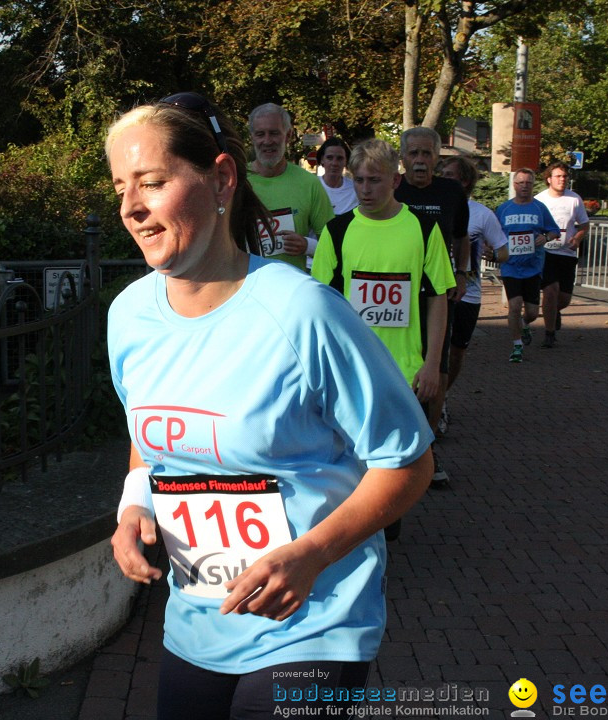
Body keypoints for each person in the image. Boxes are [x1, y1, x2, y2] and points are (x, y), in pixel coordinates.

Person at [106, 93, 434, 719]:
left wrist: (310, 554)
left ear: (222, 178)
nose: (131, 208)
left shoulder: (302, 311)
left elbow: (408, 462)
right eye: (121, 187)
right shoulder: (127, 316)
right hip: (199, 623)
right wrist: (133, 506)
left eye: (151, 182)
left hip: (313, 621)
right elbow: (147, 436)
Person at [312, 137, 453, 511]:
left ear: (395, 181)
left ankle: (383, 540)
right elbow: (320, 305)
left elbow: (439, 297)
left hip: (404, 371)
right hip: (349, 370)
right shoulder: (337, 231)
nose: (365, 189)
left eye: (374, 180)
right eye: (358, 180)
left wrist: (433, 363)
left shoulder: (423, 229)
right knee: (353, 469)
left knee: (394, 470)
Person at [393, 126, 470, 485]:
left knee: (434, 369)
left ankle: (429, 446)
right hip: (397, 294)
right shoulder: (393, 189)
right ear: (403, 157)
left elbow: (460, 236)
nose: (420, 161)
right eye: (414, 154)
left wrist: (462, 273)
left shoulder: (452, 192)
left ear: (437, 157)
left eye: (427, 154)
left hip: (438, 292)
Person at [438, 156, 509, 408]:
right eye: (442, 174)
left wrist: (494, 255)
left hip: (468, 293)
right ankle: (434, 402)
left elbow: (504, 249)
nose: (443, 178)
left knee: (456, 351)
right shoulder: (436, 207)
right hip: (436, 291)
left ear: (464, 181)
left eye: (449, 175)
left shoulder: (482, 214)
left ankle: (442, 396)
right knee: (434, 349)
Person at [247, 103, 335, 270]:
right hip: (244, 287)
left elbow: (333, 241)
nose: (267, 141)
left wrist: (307, 246)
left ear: (288, 136)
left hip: (291, 290)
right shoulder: (236, 181)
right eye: (260, 134)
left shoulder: (309, 183)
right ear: (252, 137)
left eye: (274, 133)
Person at [495, 167, 560, 363]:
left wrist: (546, 237)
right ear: (514, 185)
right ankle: (517, 347)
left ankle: (524, 324)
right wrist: (491, 249)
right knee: (514, 306)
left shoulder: (539, 208)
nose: (524, 186)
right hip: (511, 266)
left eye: (528, 183)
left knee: (532, 312)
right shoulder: (504, 209)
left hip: (533, 267)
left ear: (533, 185)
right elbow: (493, 233)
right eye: (521, 183)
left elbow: (554, 230)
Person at [535, 162, 590, 348]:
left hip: (567, 253)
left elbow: (584, 225)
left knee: (564, 299)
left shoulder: (574, 199)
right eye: (558, 176)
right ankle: (549, 334)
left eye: (565, 176)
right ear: (549, 179)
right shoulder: (539, 200)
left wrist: (577, 238)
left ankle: (554, 312)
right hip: (547, 253)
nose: (562, 179)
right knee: (550, 291)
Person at [316, 136, 359, 215]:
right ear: (322, 159)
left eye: (340, 158)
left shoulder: (356, 189)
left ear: (346, 160)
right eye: (329, 158)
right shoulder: (312, 186)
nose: (334, 163)